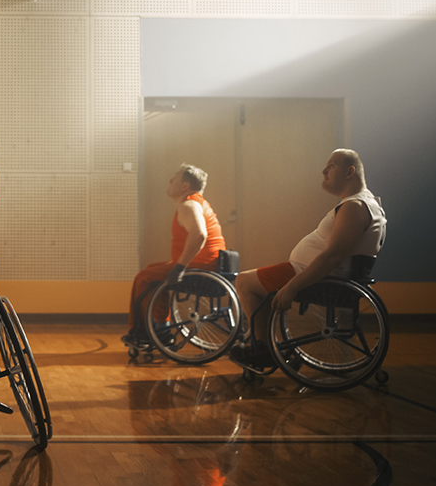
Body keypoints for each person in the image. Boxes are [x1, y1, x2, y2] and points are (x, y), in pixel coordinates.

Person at [230, 149, 387, 367]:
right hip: (318, 273)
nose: (323, 170)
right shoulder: (364, 204)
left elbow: (333, 256)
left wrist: (292, 286)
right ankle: (265, 345)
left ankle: (264, 349)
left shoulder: (355, 206)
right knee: (249, 281)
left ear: (350, 171)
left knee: (244, 282)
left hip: (312, 275)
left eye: (331, 165)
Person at [124, 164, 226, 346]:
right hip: (209, 264)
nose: (170, 181)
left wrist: (179, 267)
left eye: (175, 178)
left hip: (201, 266)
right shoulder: (197, 202)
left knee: (144, 278)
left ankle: (144, 333)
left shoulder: (188, 205)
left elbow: (199, 234)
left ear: (185, 186)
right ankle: (161, 328)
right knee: (153, 270)